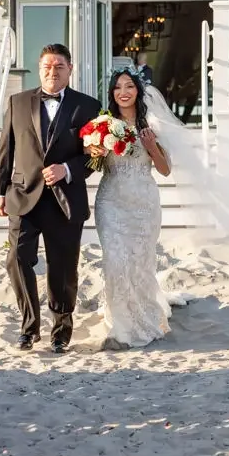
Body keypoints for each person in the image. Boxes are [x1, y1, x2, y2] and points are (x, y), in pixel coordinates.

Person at [0, 43, 102, 354]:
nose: (52, 72)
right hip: (23, 196)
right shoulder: (17, 102)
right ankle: (29, 327)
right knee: (16, 259)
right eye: (47, 67)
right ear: (39, 69)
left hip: (65, 201)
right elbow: (6, 151)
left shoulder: (88, 107)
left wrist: (67, 169)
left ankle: (61, 330)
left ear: (70, 69)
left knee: (63, 267)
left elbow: (95, 158)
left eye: (59, 67)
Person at [86, 67, 190, 349]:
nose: (123, 92)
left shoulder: (151, 124)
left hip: (143, 203)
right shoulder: (102, 125)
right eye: (118, 87)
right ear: (112, 93)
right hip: (111, 201)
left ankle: (143, 316)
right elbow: (93, 164)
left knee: (140, 265)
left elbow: (165, 170)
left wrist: (151, 146)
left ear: (138, 91)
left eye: (129, 86)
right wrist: (95, 152)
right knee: (115, 262)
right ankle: (120, 326)